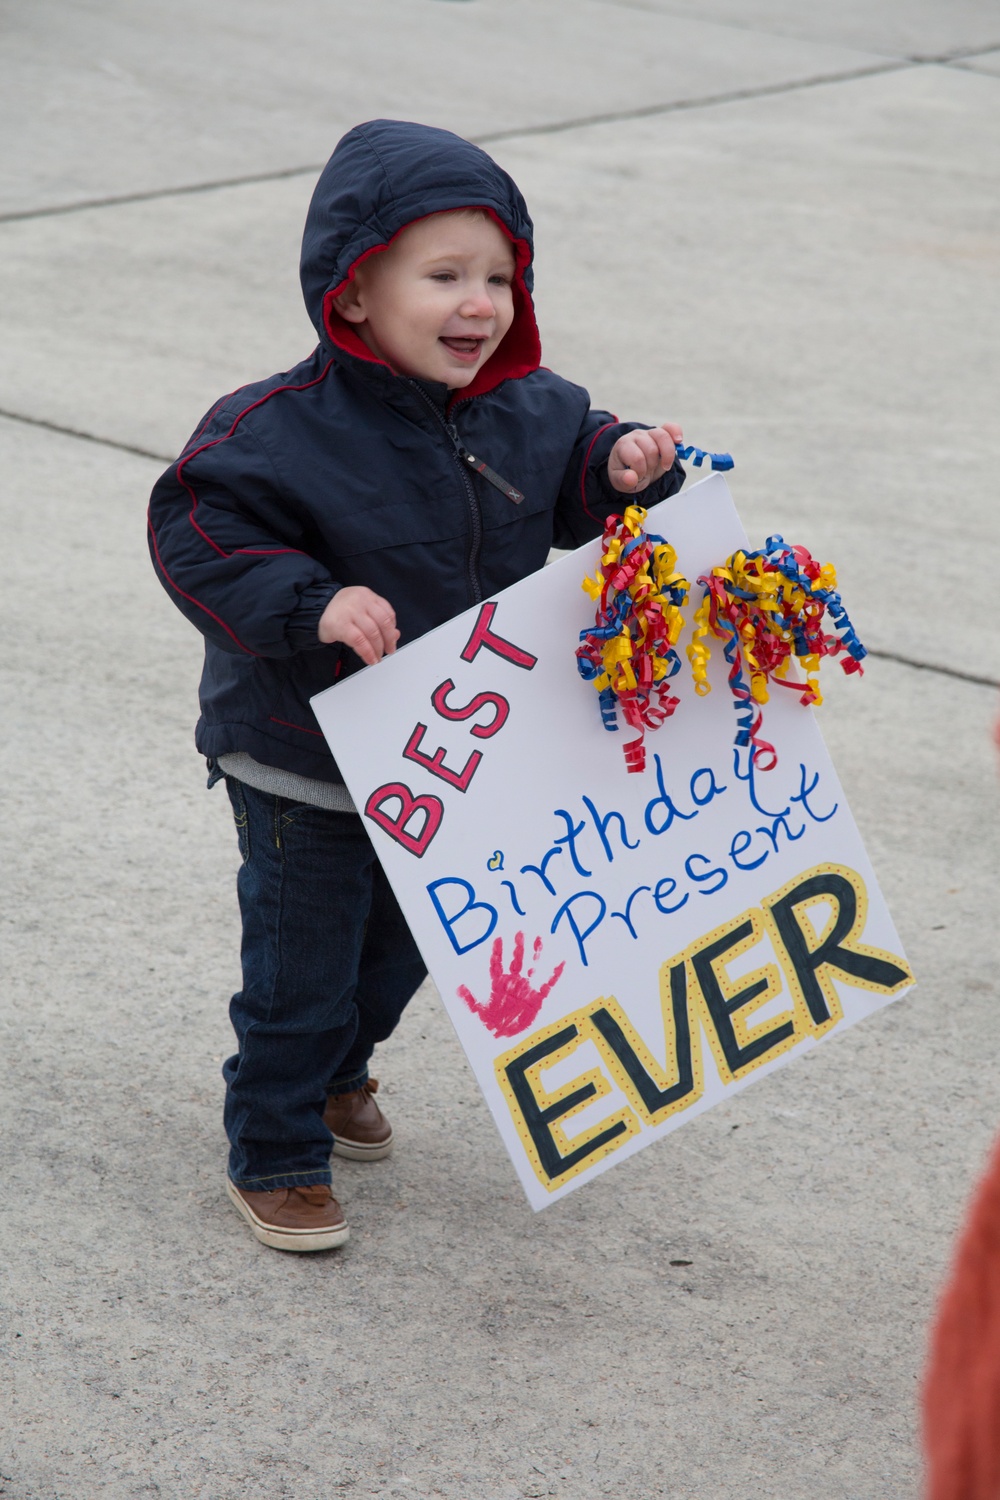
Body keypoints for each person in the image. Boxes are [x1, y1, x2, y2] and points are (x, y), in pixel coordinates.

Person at [148, 119, 686, 1252]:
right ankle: (277, 1148)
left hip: (447, 756)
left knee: (405, 948)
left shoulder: (529, 411)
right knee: (302, 963)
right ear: (353, 294)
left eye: (497, 276)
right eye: (443, 276)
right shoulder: (272, 432)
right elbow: (201, 529)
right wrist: (310, 603)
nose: (478, 303)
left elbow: (573, 474)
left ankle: (344, 1071)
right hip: (303, 753)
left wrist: (622, 464)